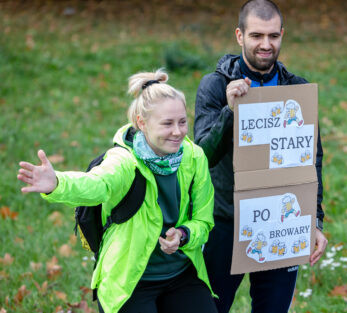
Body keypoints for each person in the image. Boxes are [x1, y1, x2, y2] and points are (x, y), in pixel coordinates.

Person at [18, 69, 218, 313]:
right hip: (129, 279)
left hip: (181, 273)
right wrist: (57, 183)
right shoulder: (124, 159)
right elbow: (98, 185)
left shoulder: (194, 157)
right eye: (167, 123)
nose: (178, 131)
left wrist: (185, 234)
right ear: (142, 123)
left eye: (182, 121)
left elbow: (204, 221)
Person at [193, 1, 328, 312]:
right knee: (211, 308)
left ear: (282, 35)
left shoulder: (297, 90)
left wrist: (314, 220)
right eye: (256, 36)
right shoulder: (215, 86)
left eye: (272, 36)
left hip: (280, 221)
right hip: (225, 220)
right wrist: (229, 111)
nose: (265, 45)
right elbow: (203, 156)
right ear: (240, 36)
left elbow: (312, 161)